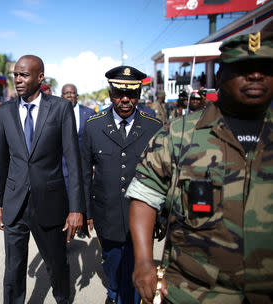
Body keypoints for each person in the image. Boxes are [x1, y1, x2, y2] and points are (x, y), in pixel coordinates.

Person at [126, 29, 273, 303]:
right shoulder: (178, 135)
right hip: (194, 291)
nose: (256, 75)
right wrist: (144, 261)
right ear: (219, 75)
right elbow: (144, 195)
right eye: (243, 67)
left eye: (266, 67)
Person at [0, 55, 86, 304]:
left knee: (56, 263)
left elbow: (73, 161)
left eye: (24, 75)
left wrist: (76, 208)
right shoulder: (4, 113)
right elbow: (0, 162)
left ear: (40, 77)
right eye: (15, 75)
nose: (18, 80)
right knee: (13, 268)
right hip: (15, 203)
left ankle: (63, 298)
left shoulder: (60, 108)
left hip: (50, 202)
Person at [81, 66, 162, 304]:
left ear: (138, 94)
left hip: (143, 213)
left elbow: (162, 175)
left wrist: (163, 215)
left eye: (132, 94)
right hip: (107, 213)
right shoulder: (93, 126)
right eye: (118, 93)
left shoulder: (153, 127)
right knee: (113, 261)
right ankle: (115, 291)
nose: (125, 99)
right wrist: (85, 211)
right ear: (110, 93)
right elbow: (85, 173)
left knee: (137, 264)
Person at [60, 83, 94, 192]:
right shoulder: (55, 113)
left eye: (72, 93)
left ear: (77, 96)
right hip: (62, 169)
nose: (69, 96)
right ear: (62, 96)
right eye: (66, 93)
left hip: (84, 168)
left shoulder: (89, 113)